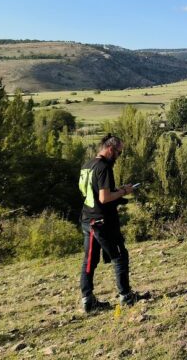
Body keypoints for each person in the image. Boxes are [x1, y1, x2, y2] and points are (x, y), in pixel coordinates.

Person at [79, 134, 147, 312]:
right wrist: (124, 191)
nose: (118, 157)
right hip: (103, 221)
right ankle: (126, 295)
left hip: (88, 219)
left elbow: (91, 193)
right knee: (119, 256)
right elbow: (104, 197)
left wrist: (116, 190)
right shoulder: (104, 167)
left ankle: (88, 299)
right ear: (110, 149)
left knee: (89, 261)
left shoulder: (87, 165)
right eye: (118, 153)